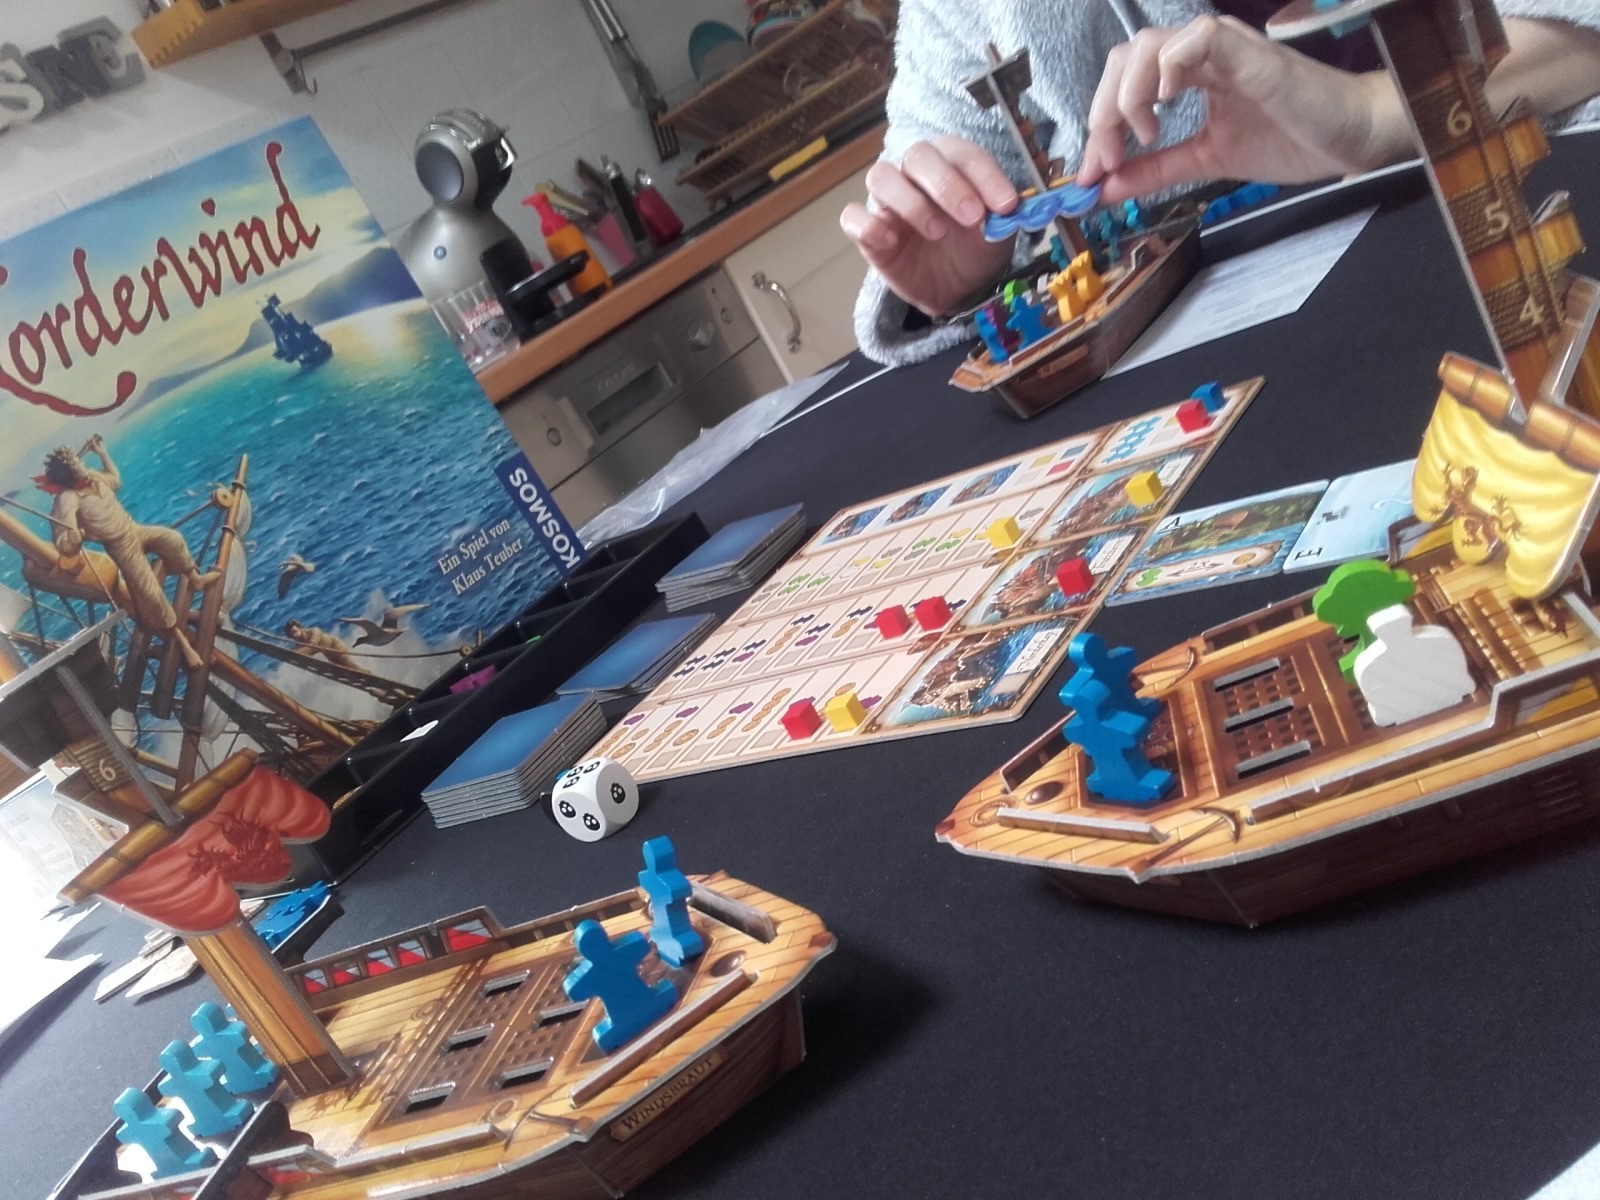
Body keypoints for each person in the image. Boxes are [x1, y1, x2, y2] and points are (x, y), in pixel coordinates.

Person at [844, 1, 1600, 365]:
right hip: (1257, 324)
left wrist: (1372, 114)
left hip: (1522, 209)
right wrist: (966, 265)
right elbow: (934, 144)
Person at [40, 436, 219, 669]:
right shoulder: (67, 500)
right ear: (68, 471)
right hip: (121, 547)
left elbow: (115, 480)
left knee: (172, 539)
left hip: (134, 529)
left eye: (78, 460)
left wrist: (102, 453)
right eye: (76, 463)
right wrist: (72, 539)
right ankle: (182, 643)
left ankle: (196, 579)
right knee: (151, 593)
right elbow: (63, 542)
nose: (81, 464)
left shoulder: (93, 477)